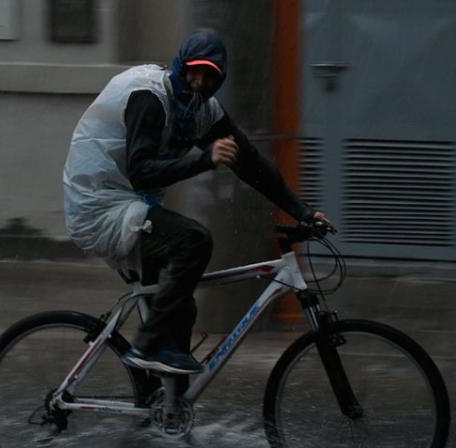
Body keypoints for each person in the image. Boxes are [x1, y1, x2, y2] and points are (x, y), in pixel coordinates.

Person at [63, 30, 331, 375]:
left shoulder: (201, 111)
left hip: (130, 204)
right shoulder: (150, 96)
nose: (199, 81)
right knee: (193, 241)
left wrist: (303, 211)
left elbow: (251, 165)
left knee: (180, 304)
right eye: (193, 70)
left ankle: (168, 408)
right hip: (99, 205)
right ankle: (147, 344)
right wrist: (205, 160)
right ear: (180, 65)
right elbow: (142, 171)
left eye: (210, 75)